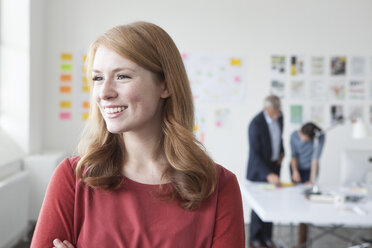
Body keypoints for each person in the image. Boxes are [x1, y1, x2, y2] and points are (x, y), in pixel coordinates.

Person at [30, 21, 245, 248]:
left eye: (122, 76)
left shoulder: (219, 187)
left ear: (165, 85)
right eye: (98, 78)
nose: (104, 93)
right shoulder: (73, 179)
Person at [246, 95, 284, 248]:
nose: (278, 115)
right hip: (260, 170)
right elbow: (255, 153)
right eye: (275, 112)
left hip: (275, 165)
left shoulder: (280, 117)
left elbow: (279, 138)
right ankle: (255, 238)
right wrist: (268, 174)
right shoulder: (255, 124)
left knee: (272, 203)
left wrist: (282, 153)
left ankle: (267, 237)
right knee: (259, 204)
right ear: (266, 110)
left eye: (279, 111)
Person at [290, 122, 325, 248]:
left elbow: (315, 159)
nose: (303, 140)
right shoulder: (294, 135)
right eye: (302, 136)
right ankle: (298, 236)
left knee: (307, 200)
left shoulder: (319, 138)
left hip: (311, 169)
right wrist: (294, 171)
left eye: (306, 139)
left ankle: (303, 240)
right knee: (297, 200)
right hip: (297, 168)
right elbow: (293, 156)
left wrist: (311, 179)